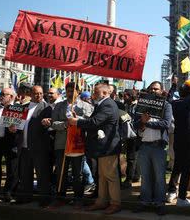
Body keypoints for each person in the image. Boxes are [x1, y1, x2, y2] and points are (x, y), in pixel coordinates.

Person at [67, 83, 121, 214]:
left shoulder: (108, 104)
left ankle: (115, 203)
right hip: (102, 147)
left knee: (110, 176)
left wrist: (76, 122)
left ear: (105, 93)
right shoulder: (102, 104)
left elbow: (95, 122)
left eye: (96, 92)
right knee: (102, 176)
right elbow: (93, 120)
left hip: (108, 147)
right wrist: (77, 118)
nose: (93, 94)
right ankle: (101, 201)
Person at [47, 82, 93, 209]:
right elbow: (53, 123)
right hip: (61, 143)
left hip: (78, 144)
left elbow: (90, 122)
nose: (70, 93)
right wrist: (65, 125)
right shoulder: (59, 106)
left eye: (73, 91)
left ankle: (78, 198)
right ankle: (60, 197)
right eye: (68, 91)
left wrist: (76, 119)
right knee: (61, 172)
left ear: (78, 92)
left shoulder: (86, 106)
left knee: (77, 173)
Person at [132, 81, 172, 216]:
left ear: (161, 90)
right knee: (145, 177)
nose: (153, 91)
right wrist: (141, 122)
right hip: (144, 146)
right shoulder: (142, 105)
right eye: (151, 89)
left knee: (160, 177)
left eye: (156, 89)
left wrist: (147, 122)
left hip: (158, 147)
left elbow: (166, 123)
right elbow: (135, 124)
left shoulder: (166, 105)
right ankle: (145, 202)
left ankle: (160, 203)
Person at [166, 78, 190, 206]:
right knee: (186, 170)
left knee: (176, 167)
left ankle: (171, 192)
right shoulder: (188, 104)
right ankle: (181, 198)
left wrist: (174, 85)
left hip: (177, 140)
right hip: (188, 142)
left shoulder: (174, 104)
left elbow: (169, 97)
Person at [14, 85, 52, 207]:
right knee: (25, 174)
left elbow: (50, 127)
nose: (39, 96)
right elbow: (16, 125)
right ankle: (25, 197)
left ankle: (44, 199)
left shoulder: (47, 108)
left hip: (39, 148)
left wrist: (46, 124)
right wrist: (12, 128)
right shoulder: (23, 107)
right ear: (30, 94)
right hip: (24, 147)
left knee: (42, 175)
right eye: (36, 93)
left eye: (41, 93)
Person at [121, 88, 140, 189]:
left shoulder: (137, 106)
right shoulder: (125, 106)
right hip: (126, 134)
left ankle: (128, 180)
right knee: (132, 157)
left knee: (132, 158)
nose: (124, 98)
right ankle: (136, 176)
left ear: (131, 96)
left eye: (125, 96)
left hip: (135, 135)